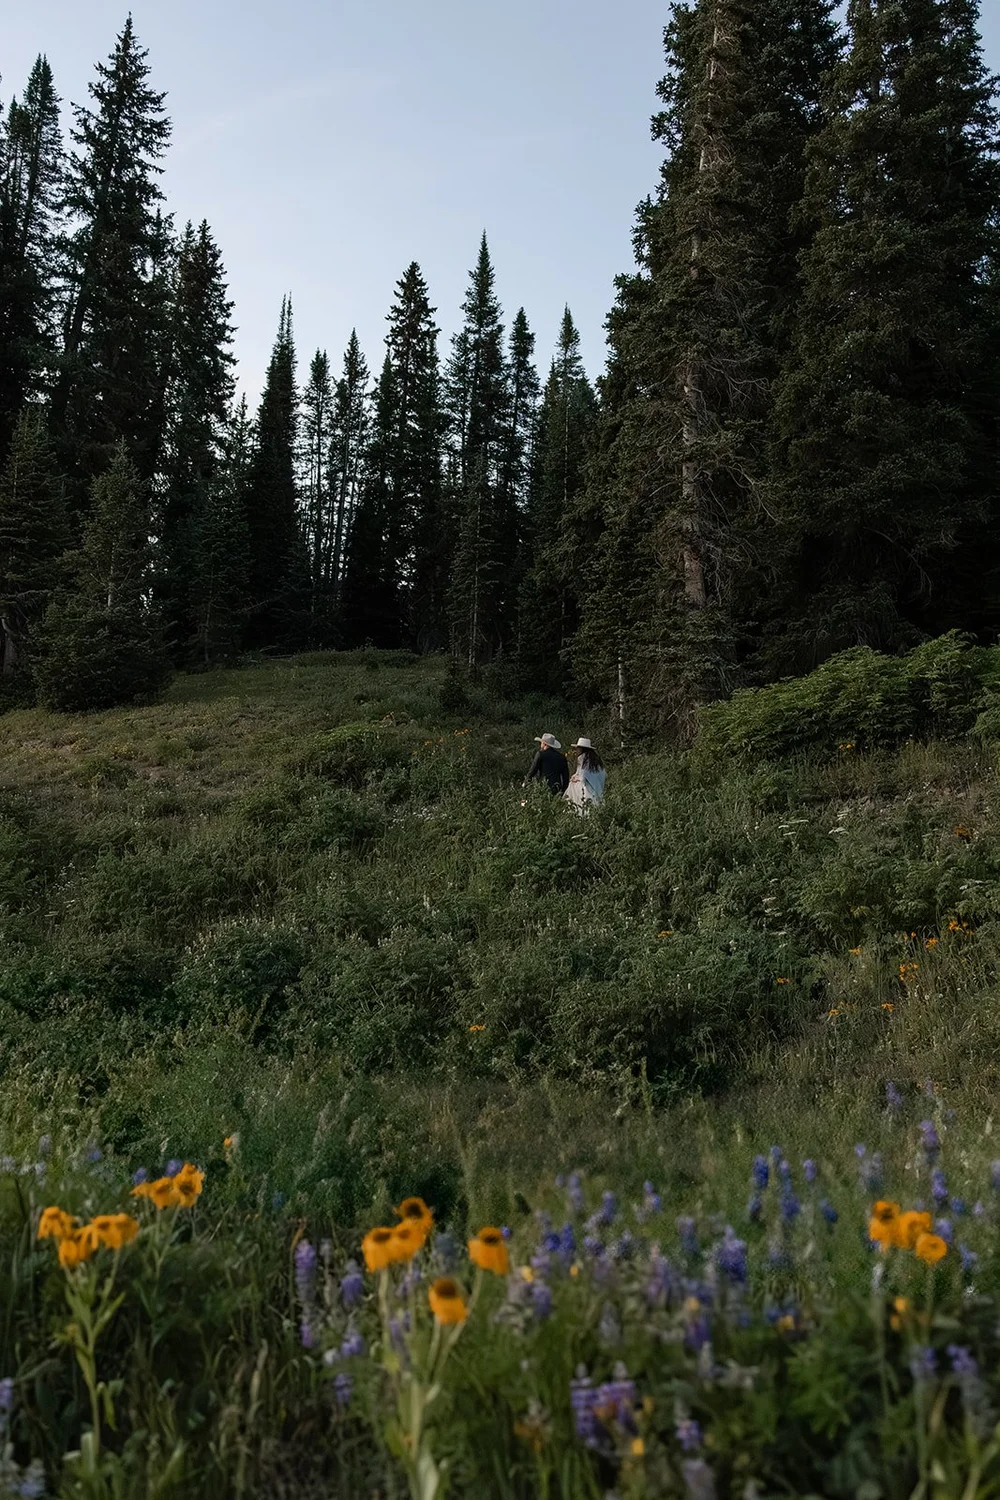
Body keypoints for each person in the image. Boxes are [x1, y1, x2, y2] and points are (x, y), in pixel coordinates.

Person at [565, 738, 606, 813]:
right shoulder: (595, 759)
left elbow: (582, 775)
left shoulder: (582, 758)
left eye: (578, 748)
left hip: (585, 787)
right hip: (594, 786)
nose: (576, 750)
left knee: (572, 788)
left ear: (581, 749)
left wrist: (575, 778)